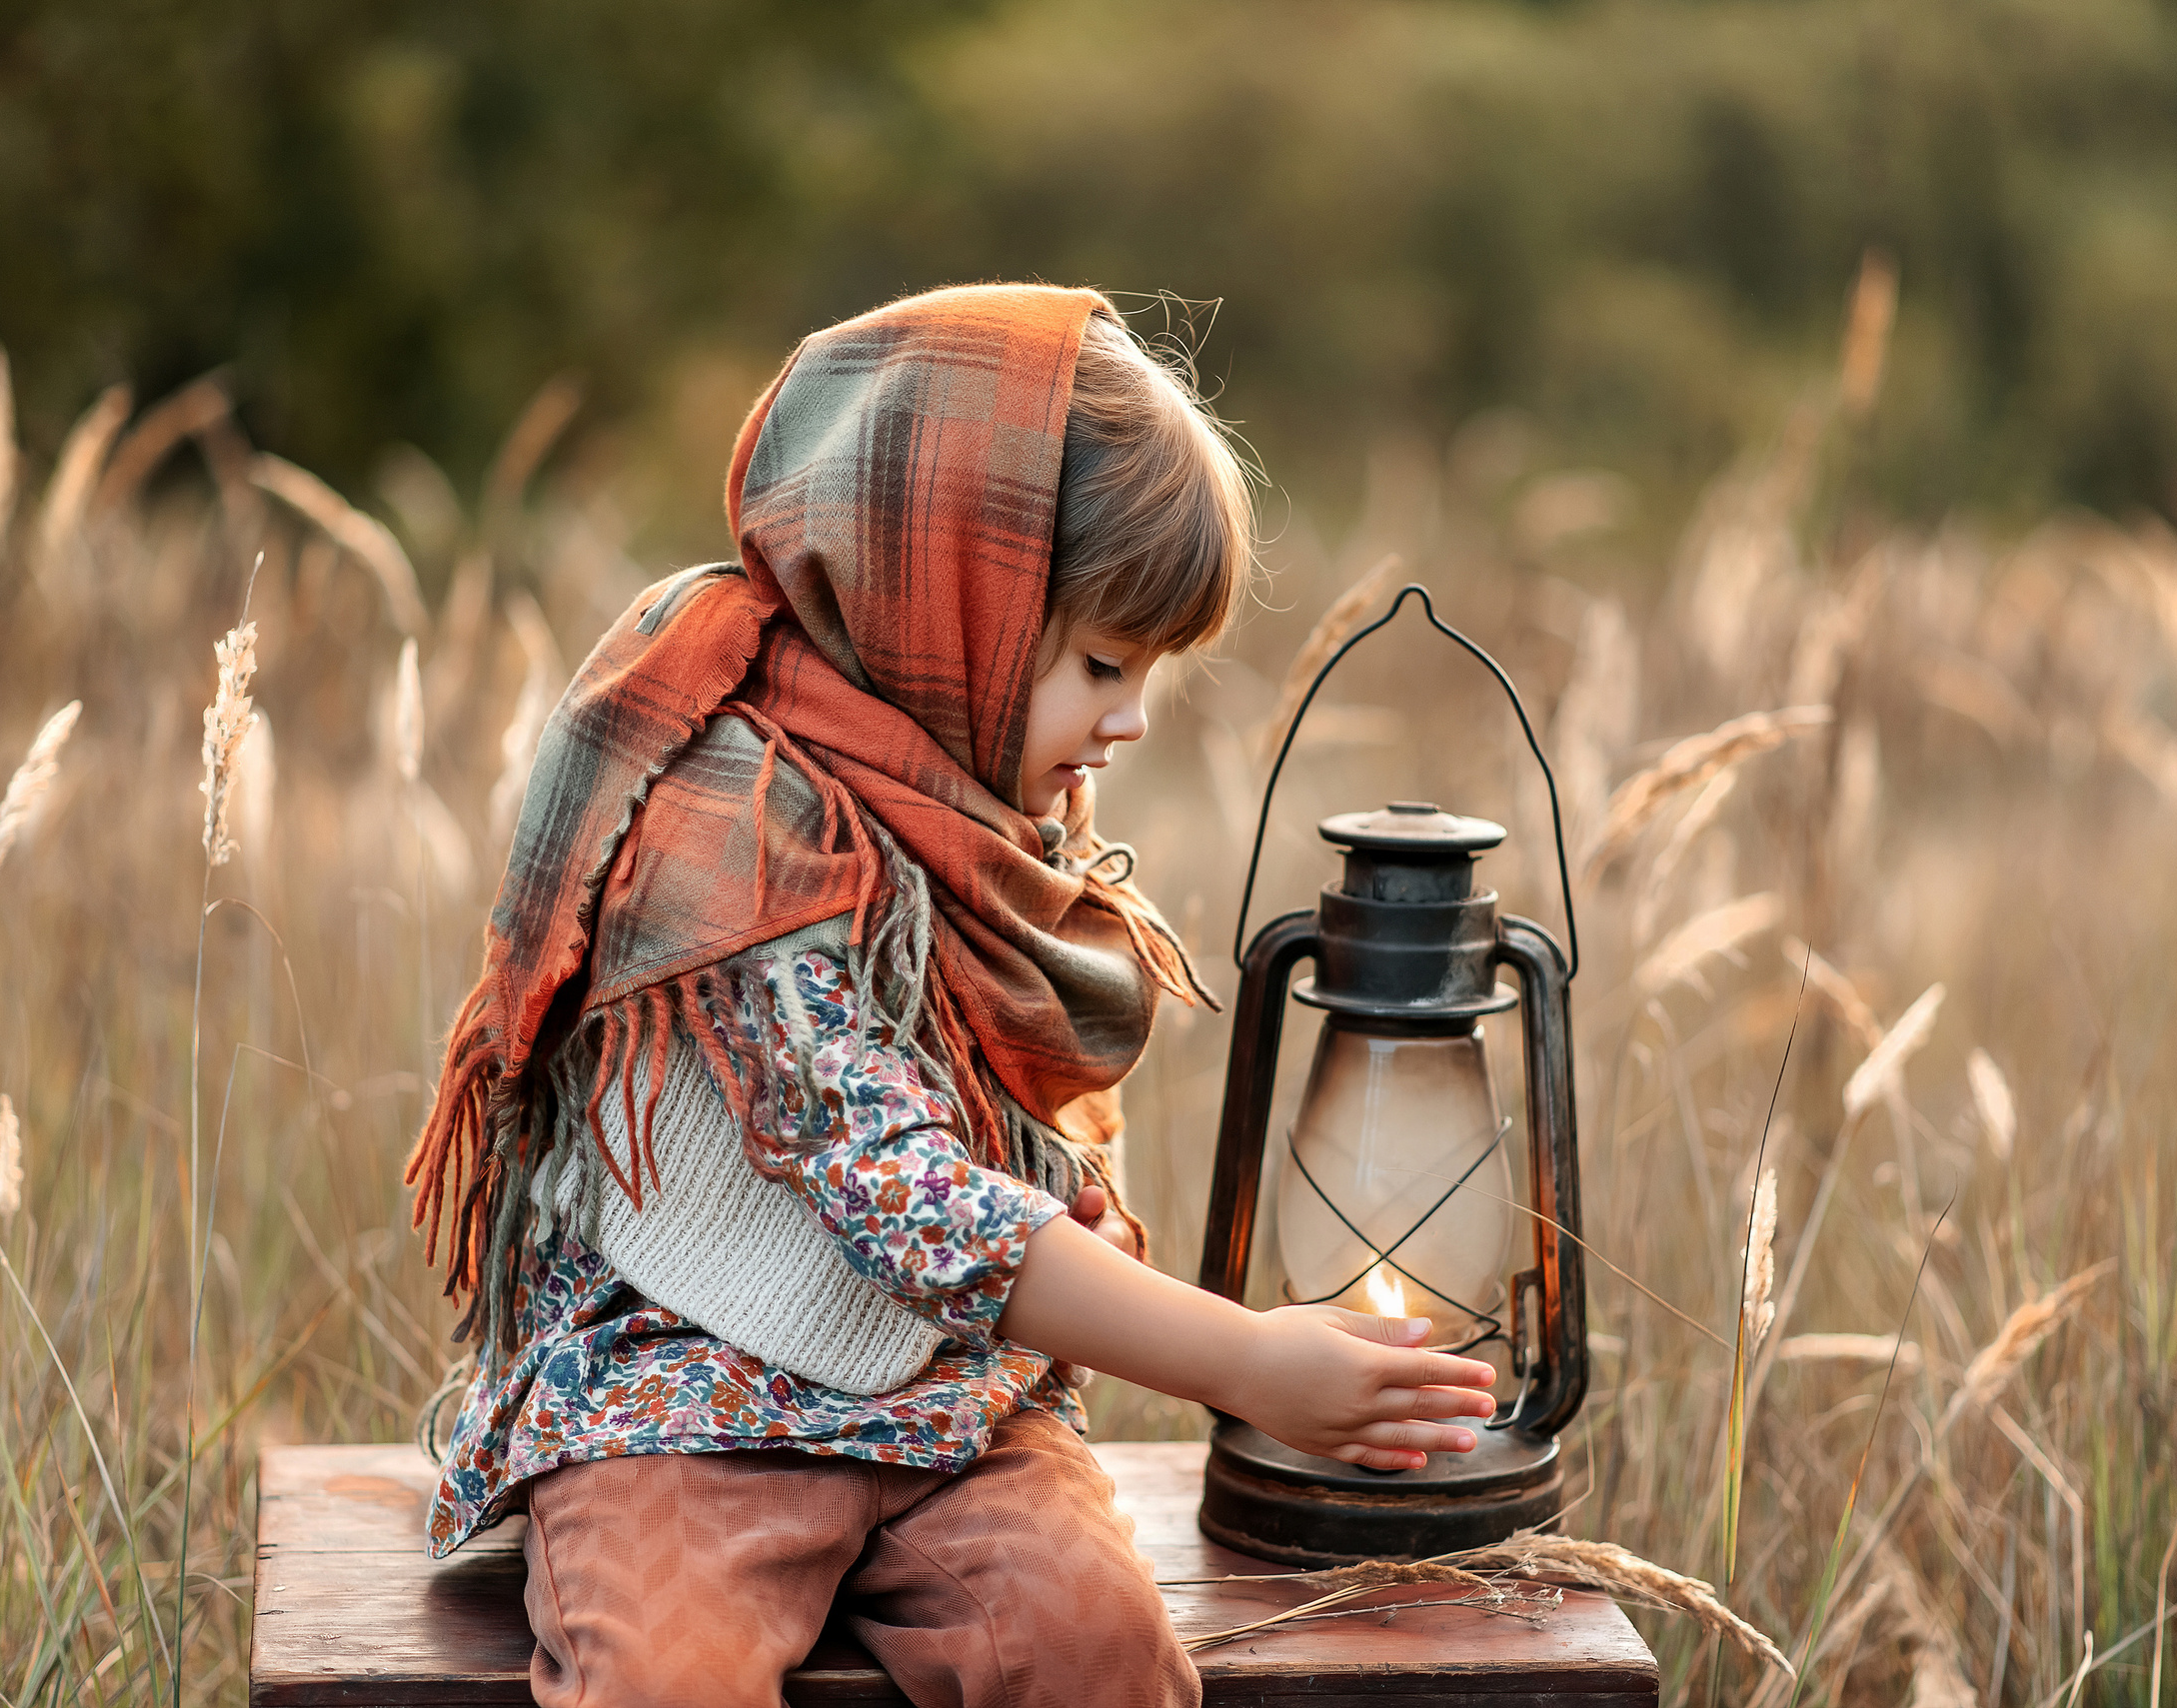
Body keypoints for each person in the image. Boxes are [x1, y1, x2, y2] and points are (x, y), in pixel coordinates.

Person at [406, 283, 1497, 1708]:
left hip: (943, 1398)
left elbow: (979, 1145)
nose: (1133, 716)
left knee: (1099, 1647)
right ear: (941, 607)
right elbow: (903, 1190)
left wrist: (1065, 1200)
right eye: (1103, 662)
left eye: (1150, 669)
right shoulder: (738, 827)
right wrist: (1240, 1360)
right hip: (687, 1399)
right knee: (668, 1679)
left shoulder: (963, 802)